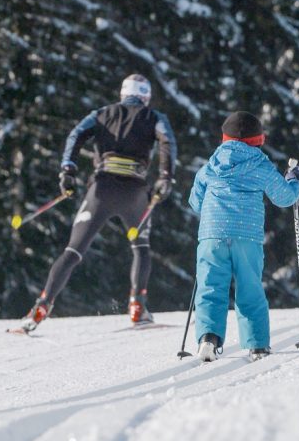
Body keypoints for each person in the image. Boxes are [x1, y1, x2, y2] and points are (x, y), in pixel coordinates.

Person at [15, 74, 177, 333]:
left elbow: (76, 135)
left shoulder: (101, 113)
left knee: (73, 251)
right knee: (141, 247)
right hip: (135, 192)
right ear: (145, 97)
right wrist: (166, 177)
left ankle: (41, 306)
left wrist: (67, 171)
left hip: (101, 190)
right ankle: (138, 305)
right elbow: (167, 142)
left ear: (123, 94)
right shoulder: (155, 117)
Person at [188, 111, 299, 362]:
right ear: (258, 140)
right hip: (246, 236)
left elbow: (195, 202)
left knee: (210, 287)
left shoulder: (210, 166)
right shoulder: (260, 165)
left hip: (212, 235)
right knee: (249, 287)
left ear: (224, 139)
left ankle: (208, 339)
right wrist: (295, 181)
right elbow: (284, 197)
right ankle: (257, 345)